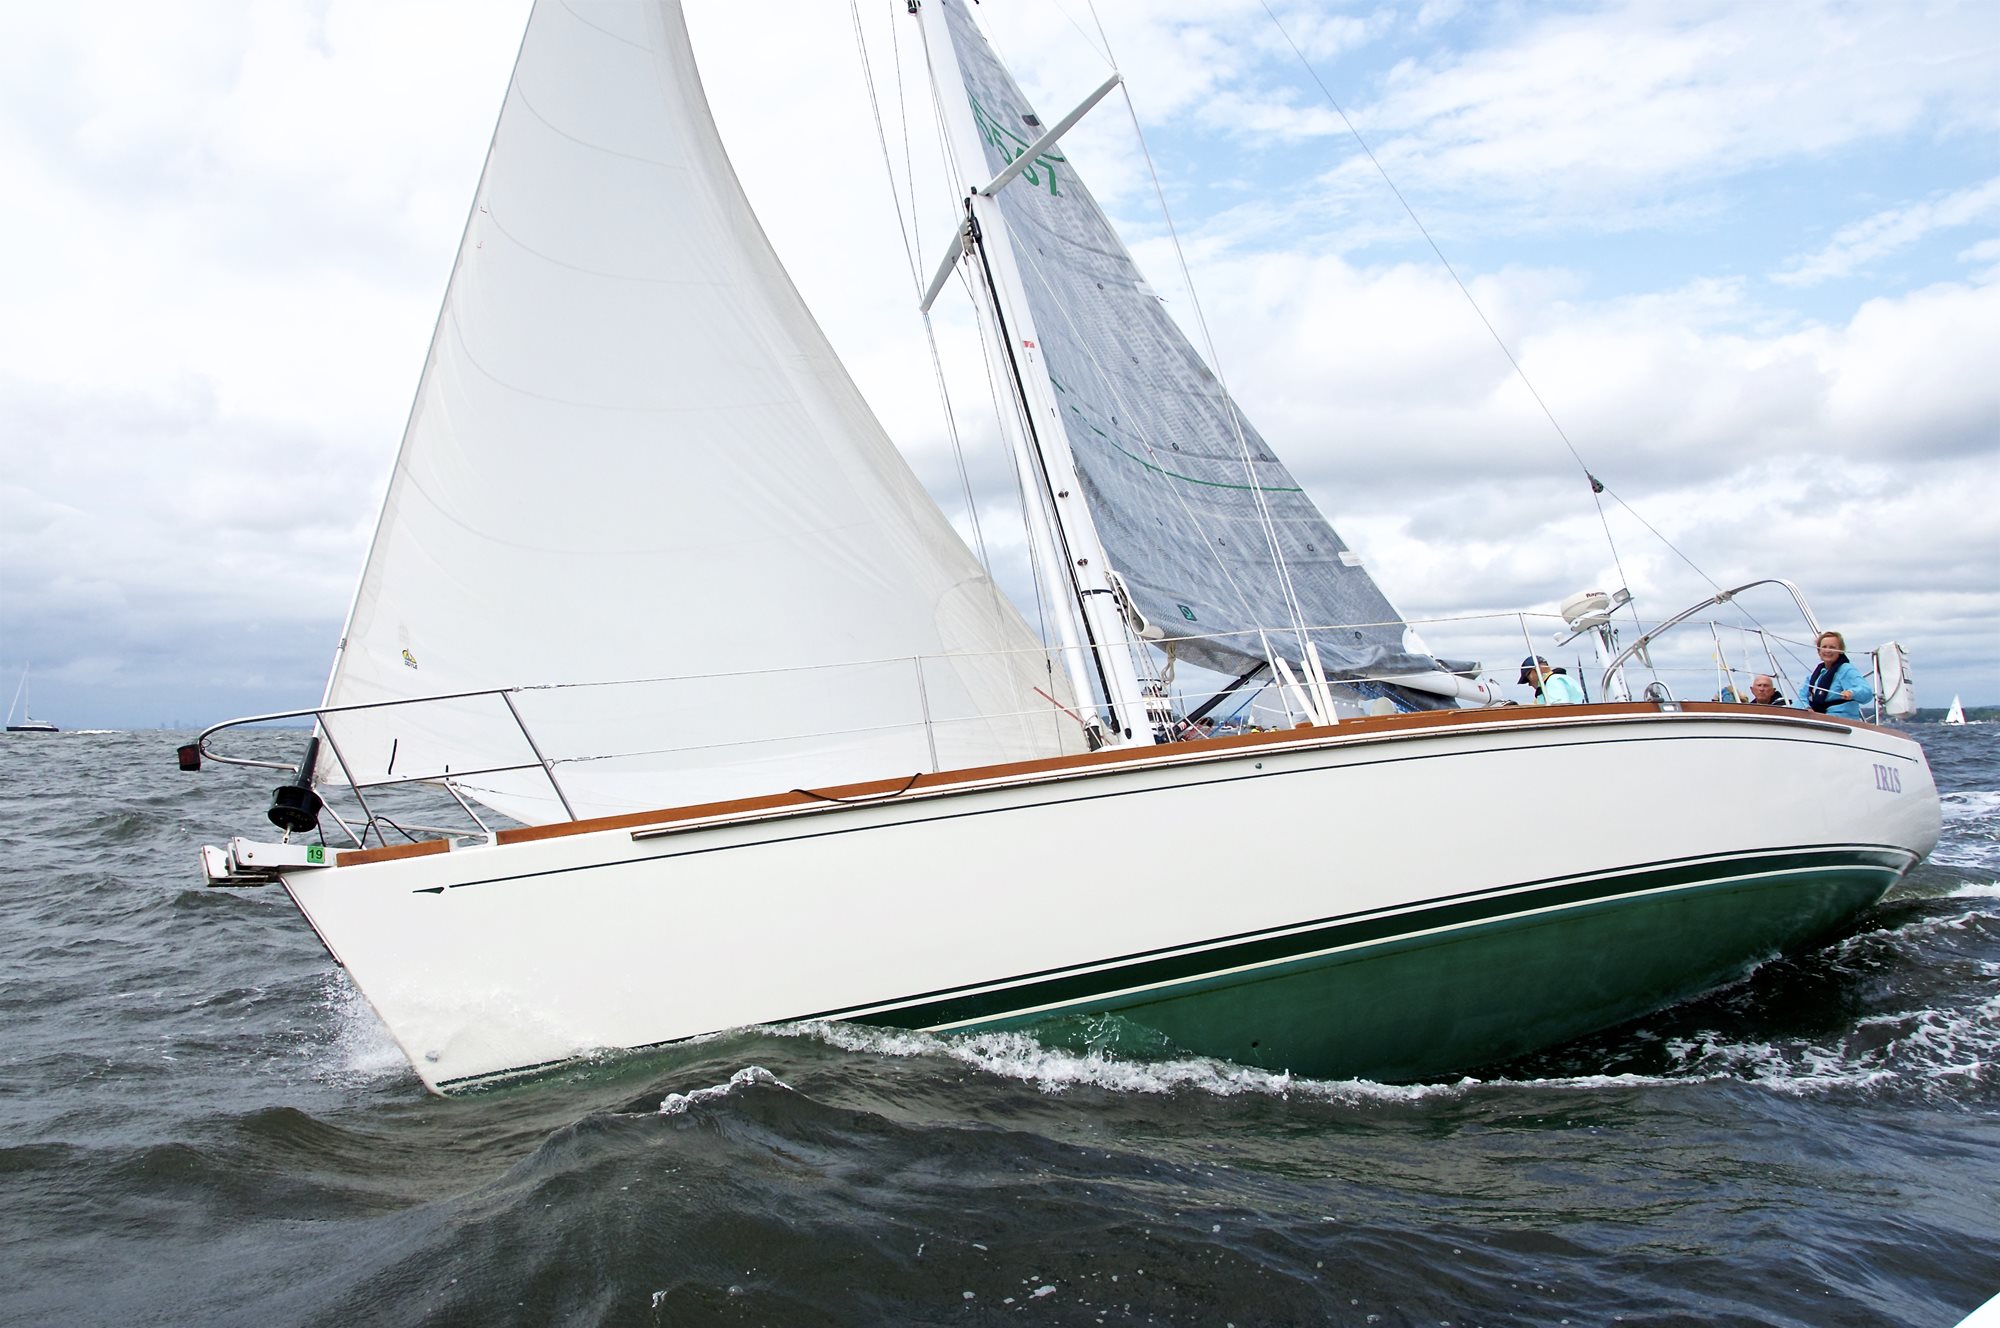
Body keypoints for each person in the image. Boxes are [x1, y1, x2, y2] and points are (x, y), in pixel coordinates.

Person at [1799, 631, 1873, 718]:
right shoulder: (1817, 674)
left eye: (1832, 647)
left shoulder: (1846, 670)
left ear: (1840, 651)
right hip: (1819, 719)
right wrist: (1806, 708)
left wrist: (1851, 693)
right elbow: (1801, 696)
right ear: (1819, 651)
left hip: (1842, 720)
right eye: (1824, 647)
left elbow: (1866, 692)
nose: (1828, 650)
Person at [1519, 655, 1585, 705]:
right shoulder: (1554, 681)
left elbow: (1559, 708)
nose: (1529, 684)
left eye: (1527, 678)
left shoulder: (1553, 680)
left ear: (1536, 670)